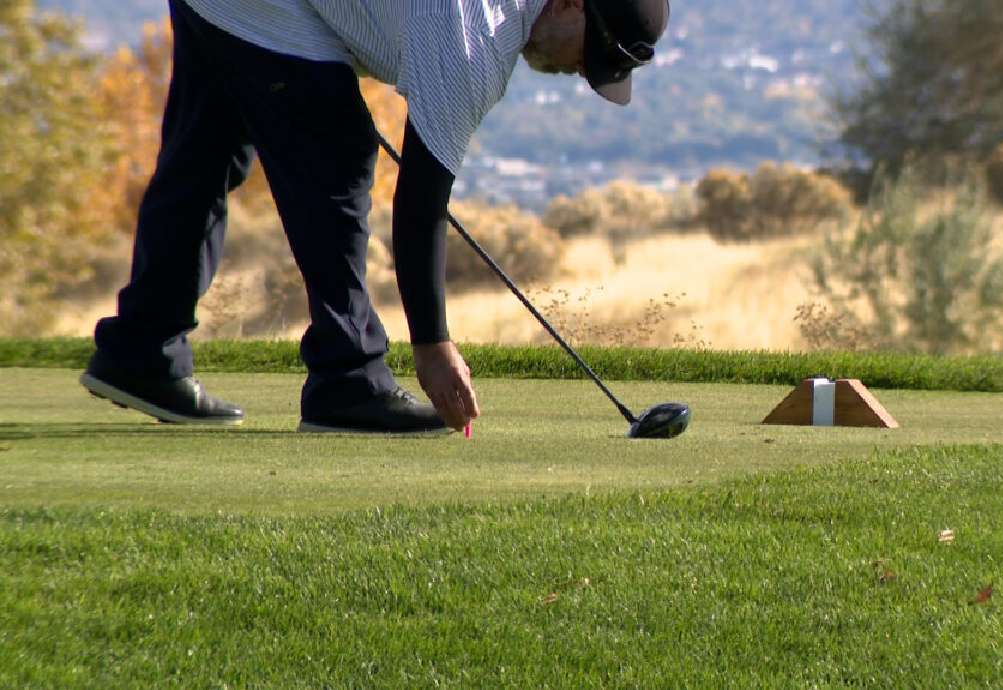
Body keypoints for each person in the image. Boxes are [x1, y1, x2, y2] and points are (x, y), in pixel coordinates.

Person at [81, 0, 670, 434]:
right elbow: (418, 206)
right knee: (337, 156)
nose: (577, 70)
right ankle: (349, 379)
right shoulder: (477, 39)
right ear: (569, 2)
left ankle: (141, 348)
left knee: (205, 157)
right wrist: (434, 346)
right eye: (587, 52)